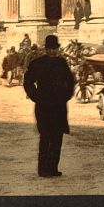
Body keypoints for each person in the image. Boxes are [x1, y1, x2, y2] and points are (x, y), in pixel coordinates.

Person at [24, 34, 76, 178]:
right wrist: (35, 97)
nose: (53, 51)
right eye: (50, 49)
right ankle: (42, 169)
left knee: (57, 137)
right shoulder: (37, 63)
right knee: (45, 137)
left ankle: (53, 168)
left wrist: (66, 95)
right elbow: (28, 82)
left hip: (59, 105)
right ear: (45, 49)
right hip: (44, 105)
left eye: (55, 49)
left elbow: (70, 82)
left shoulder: (62, 63)